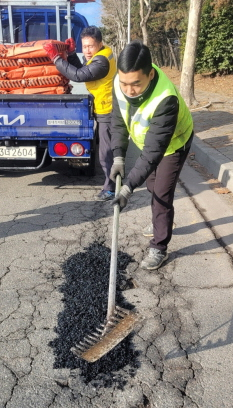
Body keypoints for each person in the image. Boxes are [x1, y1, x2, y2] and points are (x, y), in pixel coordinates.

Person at [109, 41, 194, 270]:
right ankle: (159, 221)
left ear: (150, 74)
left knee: (161, 194)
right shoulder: (120, 83)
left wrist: (127, 188)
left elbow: (152, 153)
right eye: (124, 83)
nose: (129, 90)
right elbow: (117, 121)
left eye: (136, 84)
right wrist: (118, 156)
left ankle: (159, 246)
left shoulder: (165, 98)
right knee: (151, 184)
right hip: (149, 142)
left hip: (174, 143)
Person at [44, 27, 117, 201]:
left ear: (99, 43)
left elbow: (78, 75)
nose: (87, 50)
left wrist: (55, 58)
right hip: (104, 107)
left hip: (108, 110)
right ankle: (112, 183)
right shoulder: (101, 55)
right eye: (84, 47)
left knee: (105, 153)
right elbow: (83, 69)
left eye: (90, 46)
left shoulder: (102, 61)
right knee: (106, 151)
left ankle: (111, 188)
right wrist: (70, 54)